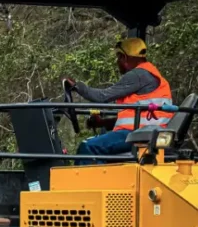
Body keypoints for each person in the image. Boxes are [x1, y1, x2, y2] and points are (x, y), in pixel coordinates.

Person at [64, 37, 173, 165]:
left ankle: (88, 185)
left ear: (124, 58)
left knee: (88, 146)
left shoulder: (138, 75)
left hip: (140, 135)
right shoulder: (149, 73)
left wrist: (77, 86)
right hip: (145, 132)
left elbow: (101, 97)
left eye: (118, 57)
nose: (117, 61)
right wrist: (103, 122)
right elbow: (136, 116)